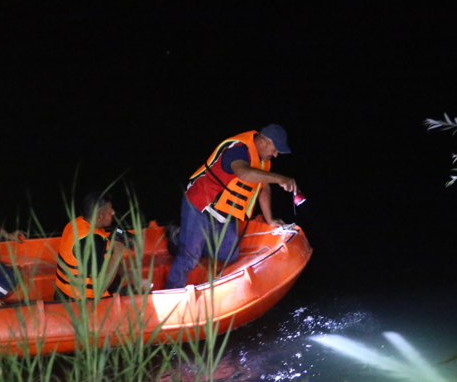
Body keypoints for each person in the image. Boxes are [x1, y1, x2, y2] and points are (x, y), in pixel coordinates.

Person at [164, 124, 298, 289]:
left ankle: (188, 240)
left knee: (230, 255)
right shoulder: (238, 150)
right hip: (200, 207)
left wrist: (270, 219)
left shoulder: (263, 161)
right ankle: (172, 290)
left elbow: (264, 188)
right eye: (275, 150)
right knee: (188, 259)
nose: (276, 155)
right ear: (263, 141)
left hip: (223, 214)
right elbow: (243, 172)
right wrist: (280, 179)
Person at [55, 191, 139, 299]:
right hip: (82, 301)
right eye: (110, 211)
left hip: (62, 293)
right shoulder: (91, 242)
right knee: (134, 292)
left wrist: (129, 274)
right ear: (99, 216)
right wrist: (117, 254)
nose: (113, 212)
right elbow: (100, 287)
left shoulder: (76, 224)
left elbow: (104, 258)